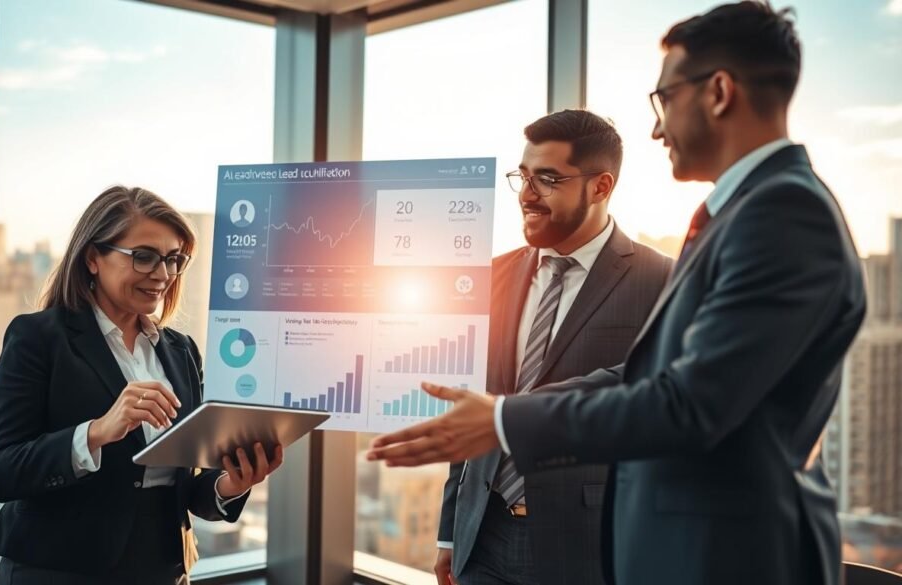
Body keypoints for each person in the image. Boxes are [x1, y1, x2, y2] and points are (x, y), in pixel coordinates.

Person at [368, 3, 867, 585]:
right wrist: (500, 421)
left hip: (730, 556)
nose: (657, 129)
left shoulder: (783, 215)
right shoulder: (747, 211)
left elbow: (686, 404)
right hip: (602, 543)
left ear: (719, 92)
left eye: (665, 99)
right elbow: (648, 377)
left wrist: (507, 419)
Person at [0, 186, 283, 585]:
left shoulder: (181, 351)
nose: (163, 274)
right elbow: (0, 472)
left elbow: (187, 486)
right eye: (144, 256)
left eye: (173, 259)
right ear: (93, 258)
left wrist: (231, 484)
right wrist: (96, 432)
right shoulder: (38, 339)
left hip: (163, 570)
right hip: (59, 573)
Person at [435, 110, 671, 585]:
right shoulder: (492, 275)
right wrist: (449, 534)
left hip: (588, 546)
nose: (526, 194)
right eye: (523, 177)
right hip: (482, 534)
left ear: (600, 187)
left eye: (547, 179)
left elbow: (659, 416)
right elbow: (473, 407)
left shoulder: (662, 280)